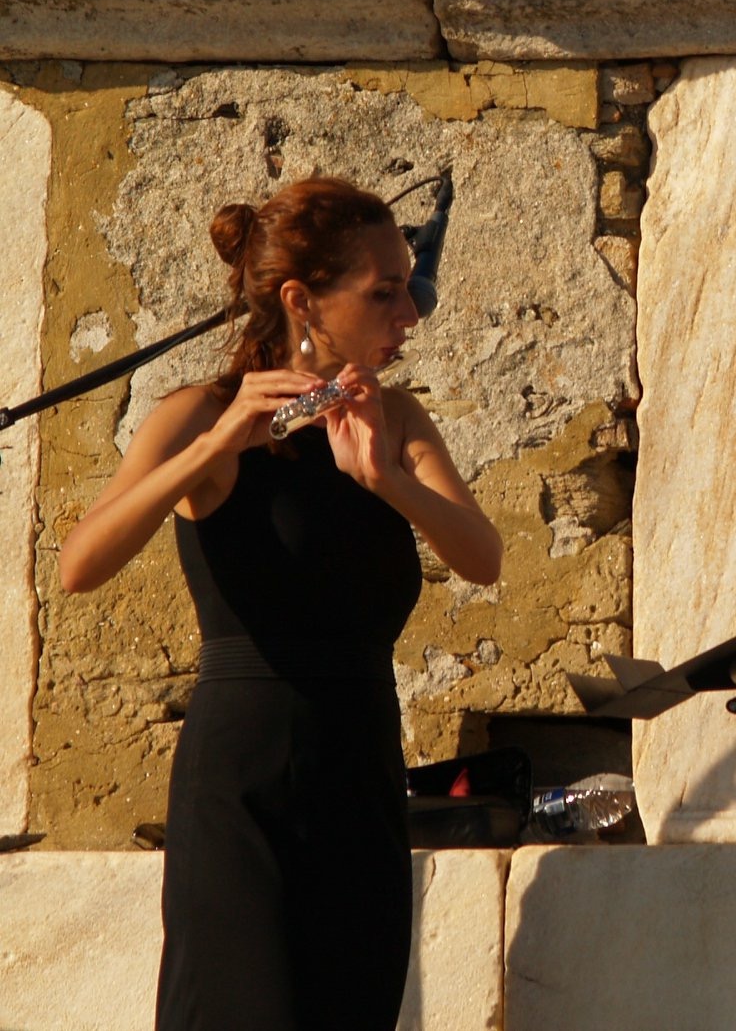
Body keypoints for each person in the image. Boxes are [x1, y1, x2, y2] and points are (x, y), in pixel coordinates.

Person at [59, 177, 502, 1030]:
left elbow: (482, 558)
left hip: (360, 775)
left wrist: (384, 478)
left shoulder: (397, 419)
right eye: (383, 292)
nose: (410, 313)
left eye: (408, 287)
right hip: (242, 785)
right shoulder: (198, 414)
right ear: (302, 300)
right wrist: (221, 444)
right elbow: (81, 565)